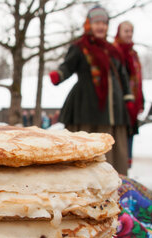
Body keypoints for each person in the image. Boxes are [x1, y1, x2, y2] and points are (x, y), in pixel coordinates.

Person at [49, 6, 134, 175]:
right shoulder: (80, 47)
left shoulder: (113, 51)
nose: (100, 26)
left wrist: (128, 98)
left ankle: (112, 180)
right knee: (85, 142)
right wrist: (58, 75)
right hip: (86, 105)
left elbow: (123, 76)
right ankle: (82, 180)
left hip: (113, 108)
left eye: (103, 23)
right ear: (89, 25)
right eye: (97, 23)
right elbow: (68, 66)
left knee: (113, 146)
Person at [113, 21, 144, 169]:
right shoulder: (114, 51)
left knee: (130, 132)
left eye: (131, 31)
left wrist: (140, 100)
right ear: (119, 32)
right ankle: (118, 165)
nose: (129, 34)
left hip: (133, 98)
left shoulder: (134, 54)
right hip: (118, 100)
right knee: (119, 134)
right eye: (126, 31)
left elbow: (138, 79)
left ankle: (126, 165)